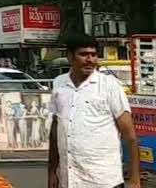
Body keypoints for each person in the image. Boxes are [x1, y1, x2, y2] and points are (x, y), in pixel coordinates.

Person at [48, 34, 139, 188]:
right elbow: (56, 131)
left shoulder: (109, 86)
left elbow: (130, 136)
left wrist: (135, 180)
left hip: (104, 180)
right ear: (70, 57)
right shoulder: (59, 84)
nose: (90, 60)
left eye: (94, 54)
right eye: (83, 54)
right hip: (70, 180)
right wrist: (52, 171)